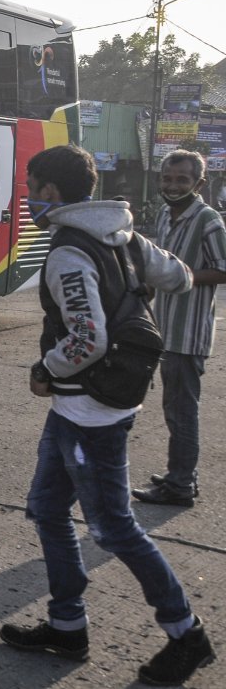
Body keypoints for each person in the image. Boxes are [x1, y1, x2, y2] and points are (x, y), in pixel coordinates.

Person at [0, 145, 214, 686]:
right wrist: (135, 280)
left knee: (114, 527)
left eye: (30, 188)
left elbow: (88, 337)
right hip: (92, 402)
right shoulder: (123, 233)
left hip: (90, 408)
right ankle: (67, 625)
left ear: (50, 192)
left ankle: (186, 634)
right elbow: (181, 278)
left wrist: (44, 369)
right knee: (48, 508)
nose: (27, 199)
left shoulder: (70, 251)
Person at [132, 150, 226, 506]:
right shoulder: (165, 217)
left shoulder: (208, 219)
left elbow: (223, 269)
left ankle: (180, 485)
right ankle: (181, 476)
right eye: (167, 179)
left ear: (199, 183)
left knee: (182, 412)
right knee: (174, 410)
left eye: (182, 180)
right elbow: (161, 265)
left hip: (189, 335)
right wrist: (148, 286)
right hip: (165, 329)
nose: (173, 186)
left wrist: (181, 276)